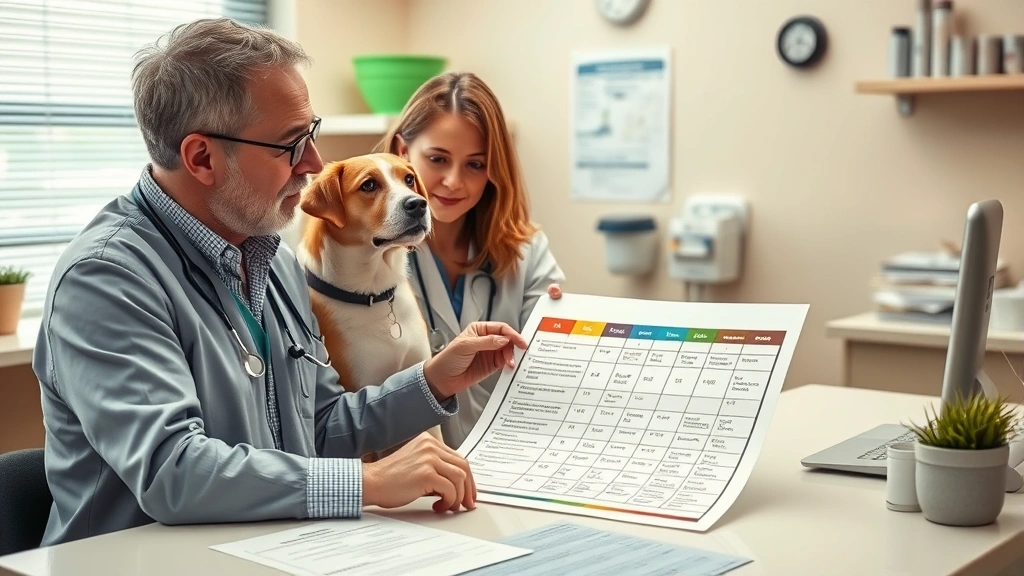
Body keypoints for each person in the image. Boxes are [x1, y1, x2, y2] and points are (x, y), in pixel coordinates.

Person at [31, 18, 528, 547]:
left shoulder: (274, 261)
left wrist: (431, 382)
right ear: (202, 157)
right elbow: (172, 471)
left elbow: (319, 426)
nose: (313, 164)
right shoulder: (107, 279)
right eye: (290, 144)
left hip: (270, 549)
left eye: (310, 134)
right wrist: (367, 482)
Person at [373, 72, 566, 449]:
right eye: (437, 159)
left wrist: (563, 330)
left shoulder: (529, 251)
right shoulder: (367, 253)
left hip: (509, 466)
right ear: (402, 151)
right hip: (406, 478)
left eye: (475, 165)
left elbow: (548, 376)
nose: (453, 181)